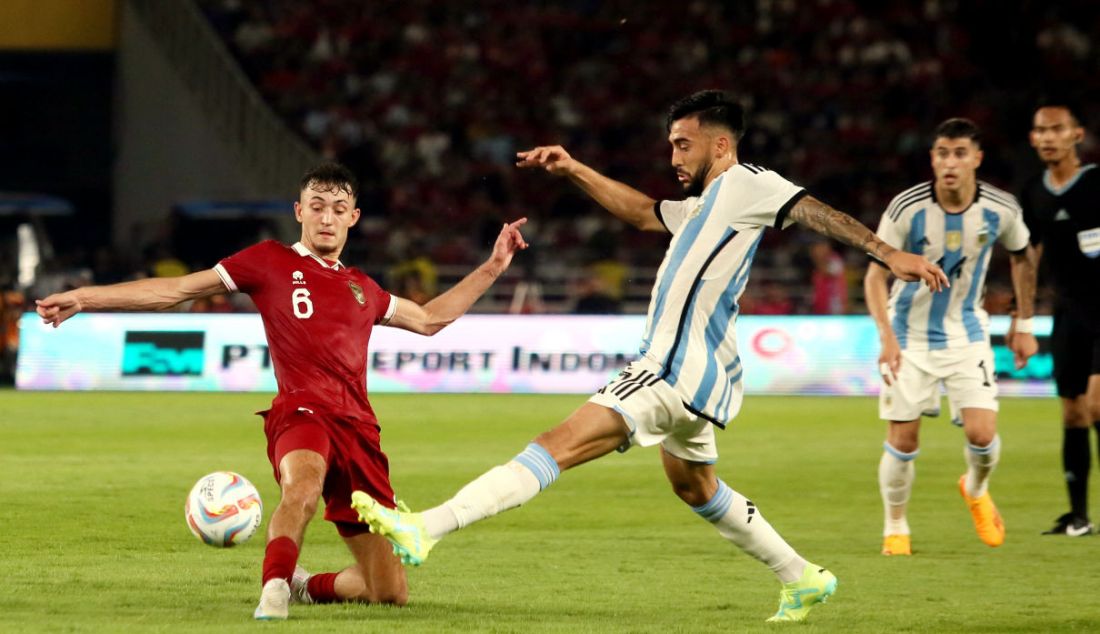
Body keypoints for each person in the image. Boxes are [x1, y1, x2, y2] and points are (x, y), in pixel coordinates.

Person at [351, 90, 948, 623]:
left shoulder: (749, 183)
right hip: (701, 376)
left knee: (554, 444)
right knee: (693, 484)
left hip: (671, 365)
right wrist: (574, 168)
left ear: (720, 144)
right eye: (671, 145)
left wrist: (885, 253)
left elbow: (815, 211)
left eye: (683, 145)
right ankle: (802, 577)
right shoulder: (701, 208)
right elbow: (641, 212)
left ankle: (425, 528)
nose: (674, 157)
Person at [34, 162, 529, 620]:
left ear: (353, 217)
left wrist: (493, 266)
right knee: (303, 487)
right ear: (299, 212)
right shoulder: (267, 262)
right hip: (302, 411)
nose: (326, 218)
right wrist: (85, 296)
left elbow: (428, 319)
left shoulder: (364, 289)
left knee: (388, 591)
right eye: (316, 206)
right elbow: (177, 290)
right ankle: (272, 588)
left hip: (360, 431)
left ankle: (302, 584)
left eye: (338, 209)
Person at [864, 118, 1038, 557]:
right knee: (903, 441)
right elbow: (873, 275)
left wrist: (1024, 322)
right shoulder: (907, 208)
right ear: (933, 159)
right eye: (942, 153)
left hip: (966, 334)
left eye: (960, 153)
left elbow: (1023, 257)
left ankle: (975, 488)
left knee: (982, 434)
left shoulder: (1002, 209)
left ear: (976, 159)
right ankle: (895, 528)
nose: (950, 162)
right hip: (908, 338)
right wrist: (886, 337)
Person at [1018, 103, 1100, 536]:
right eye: (1041, 131)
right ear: (1033, 139)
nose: (1048, 137)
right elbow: (1028, 257)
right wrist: (1023, 317)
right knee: (1072, 415)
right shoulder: (1034, 192)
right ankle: (1079, 516)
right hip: (1068, 314)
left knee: (1098, 403)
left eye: (1057, 129)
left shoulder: (1097, 182)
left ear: (1077, 134)